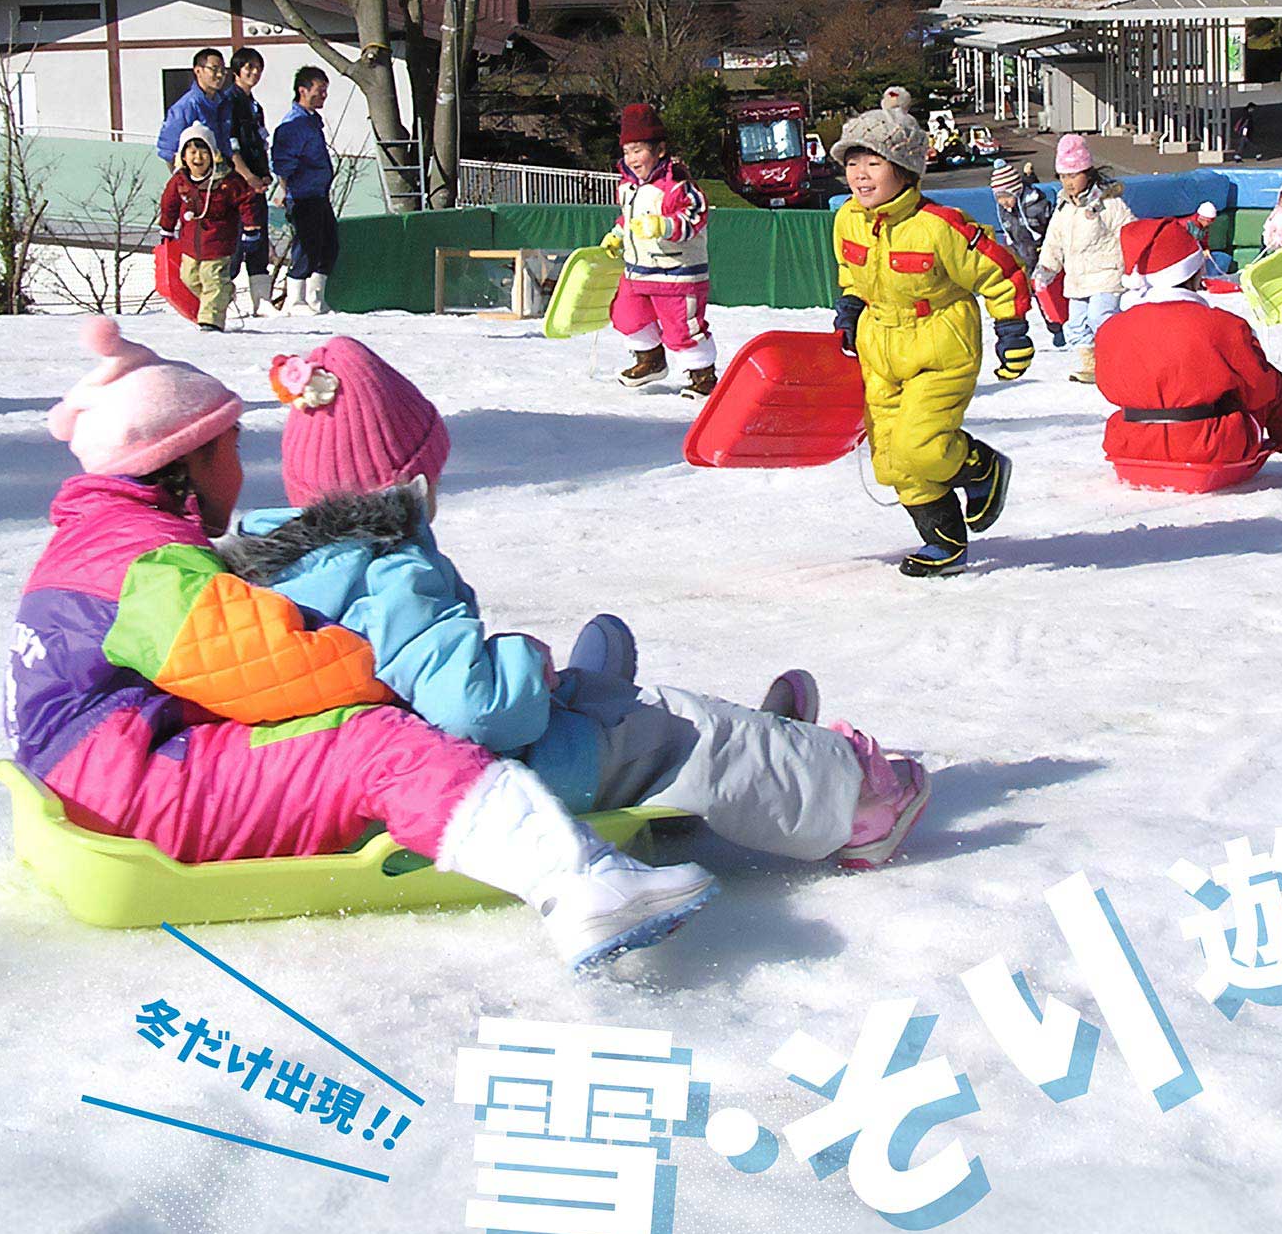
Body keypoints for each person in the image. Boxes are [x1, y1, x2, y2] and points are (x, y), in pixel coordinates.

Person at [9, 319, 721, 971]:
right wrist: (387, 679)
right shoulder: (144, 563)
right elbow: (269, 664)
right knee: (381, 744)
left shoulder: (99, 541)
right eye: (231, 449)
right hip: (140, 790)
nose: (239, 470)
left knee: (356, 734)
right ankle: (577, 884)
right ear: (185, 461)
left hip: (101, 773)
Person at [225, 336, 931, 870]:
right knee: (681, 729)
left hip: (402, 764)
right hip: (494, 775)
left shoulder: (295, 568)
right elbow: (475, 711)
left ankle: (760, 749)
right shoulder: (389, 575)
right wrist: (523, 665)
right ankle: (847, 797)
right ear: (407, 483)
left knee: (607, 695)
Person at [832, 104, 1030, 577]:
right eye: (852, 162)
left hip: (940, 347)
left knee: (920, 446)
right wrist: (851, 309)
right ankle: (944, 544)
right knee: (891, 462)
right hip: (879, 348)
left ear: (903, 169)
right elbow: (853, 274)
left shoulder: (938, 225)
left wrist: (1011, 330)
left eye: (873, 162)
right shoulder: (847, 220)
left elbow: (1000, 272)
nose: (860, 175)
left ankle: (981, 467)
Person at [1096, 215, 1282, 483]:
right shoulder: (1224, 326)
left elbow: (1108, 386)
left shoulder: (1111, 328)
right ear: (1194, 273)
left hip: (1133, 444)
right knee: (1269, 382)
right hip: (1211, 446)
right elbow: (1260, 389)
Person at [602, 103, 716, 397]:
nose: (632, 158)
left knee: (681, 328)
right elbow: (627, 218)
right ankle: (650, 359)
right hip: (637, 272)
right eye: (627, 151)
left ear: (660, 150)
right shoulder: (627, 186)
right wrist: (617, 234)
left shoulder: (677, 185)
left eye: (638, 150)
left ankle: (702, 375)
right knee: (625, 315)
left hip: (676, 274)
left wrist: (664, 226)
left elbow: (695, 216)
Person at [1034, 133, 1134, 384]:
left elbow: (1129, 231)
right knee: (1076, 325)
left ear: (1087, 173)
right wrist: (1046, 267)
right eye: (1064, 176)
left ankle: (1118, 357)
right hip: (1077, 278)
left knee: (1100, 317)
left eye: (1074, 175)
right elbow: (1054, 241)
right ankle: (1093, 365)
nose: (1068, 182)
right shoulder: (1064, 207)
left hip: (1106, 274)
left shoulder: (1109, 203)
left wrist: (1135, 267)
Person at [158, 124, 248, 330]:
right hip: (190, 242)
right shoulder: (180, 181)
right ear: (183, 156)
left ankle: (211, 322)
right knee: (188, 277)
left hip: (218, 241)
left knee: (212, 278)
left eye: (203, 151)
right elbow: (169, 204)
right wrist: (167, 228)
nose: (198, 157)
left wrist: (251, 225)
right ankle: (222, 294)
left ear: (213, 154)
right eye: (192, 152)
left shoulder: (226, 181)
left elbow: (246, 199)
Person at [271, 65, 338, 315]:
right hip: (302, 195)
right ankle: (295, 298)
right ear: (303, 90)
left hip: (318, 193)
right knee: (307, 245)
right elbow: (283, 162)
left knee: (328, 245)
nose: (324, 96)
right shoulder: (294, 124)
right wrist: (284, 189)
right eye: (320, 90)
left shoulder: (311, 122)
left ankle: (316, 296)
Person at [224, 46, 275, 318]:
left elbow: (261, 142)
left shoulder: (255, 106)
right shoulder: (229, 102)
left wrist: (264, 173)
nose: (254, 73)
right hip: (236, 183)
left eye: (258, 68)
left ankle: (261, 300)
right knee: (236, 240)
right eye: (249, 68)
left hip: (256, 184)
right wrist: (248, 175)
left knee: (259, 239)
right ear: (237, 71)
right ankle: (225, 299)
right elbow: (230, 145)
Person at [989, 159, 1062, 345]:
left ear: (1016, 191)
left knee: (1050, 292)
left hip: (1044, 254)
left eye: (1006, 197)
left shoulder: (1035, 205)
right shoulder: (1006, 210)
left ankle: (1060, 324)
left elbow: (1053, 226)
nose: (1003, 202)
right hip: (1023, 256)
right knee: (1030, 294)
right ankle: (1047, 327)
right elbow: (1011, 234)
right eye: (999, 198)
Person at [155, 47, 232, 168]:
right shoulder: (186, 106)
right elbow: (168, 151)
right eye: (214, 69)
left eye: (223, 70)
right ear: (198, 71)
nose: (220, 75)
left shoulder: (224, 103)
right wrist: (185, 182)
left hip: (223, 175)